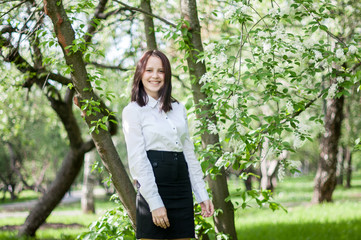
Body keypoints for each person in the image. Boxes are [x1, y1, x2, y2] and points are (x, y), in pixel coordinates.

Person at [122, 50, 214, 240]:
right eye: (149, 70)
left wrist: (202, 194)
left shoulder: (179, 109)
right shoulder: (133, 111)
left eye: (161, 71)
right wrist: (155, 203)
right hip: (152, 186)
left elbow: (188, 154)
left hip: (181, 187)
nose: (155, 76)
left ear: (167, 75)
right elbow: (138, 160)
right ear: (140, 74)